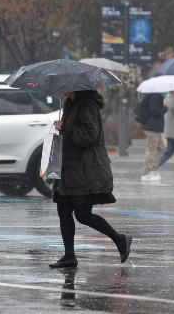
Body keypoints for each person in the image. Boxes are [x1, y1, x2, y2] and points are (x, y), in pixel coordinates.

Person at [50, 90, 132, 268]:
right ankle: (69, 256)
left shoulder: (87, 104)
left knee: (83, 215)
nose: (61, 88)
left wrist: (63, 127)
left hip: (84, 171)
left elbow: (89, 135)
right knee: (63, 210)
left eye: (65, 85)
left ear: (74, 86)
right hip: (69, 170)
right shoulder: (70, 104)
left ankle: (120, 240)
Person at [140, 93, 168, 182]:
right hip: (151, 127)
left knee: (161, 148)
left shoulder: (156, 97)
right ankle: (147, 172)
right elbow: (156, 112)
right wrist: (165, 108)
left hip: (155, 128)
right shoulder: (154, 97)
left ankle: (153, 169)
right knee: (152, 150)